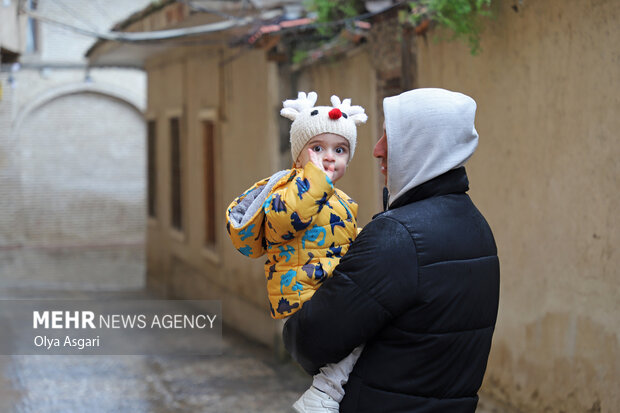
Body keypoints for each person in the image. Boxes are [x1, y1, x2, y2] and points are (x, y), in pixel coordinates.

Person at [283, 88, 500, 412]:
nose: (376, 150)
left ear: (423, 144)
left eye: (390, 136)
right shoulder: (478, 227)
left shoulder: (398, 238)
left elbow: (309, 341)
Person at [226, 91, 367, 413]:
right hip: (302, 292)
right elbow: (288, 219)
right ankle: (324, 393)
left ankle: (333, 392)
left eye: (340, 150)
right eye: (317, 149)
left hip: (322, 286)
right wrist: (315, 181)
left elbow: (338, 240)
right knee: (363, 333)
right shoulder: (289, 190)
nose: (328, 158)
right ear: (298, 153)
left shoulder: (337, 198)